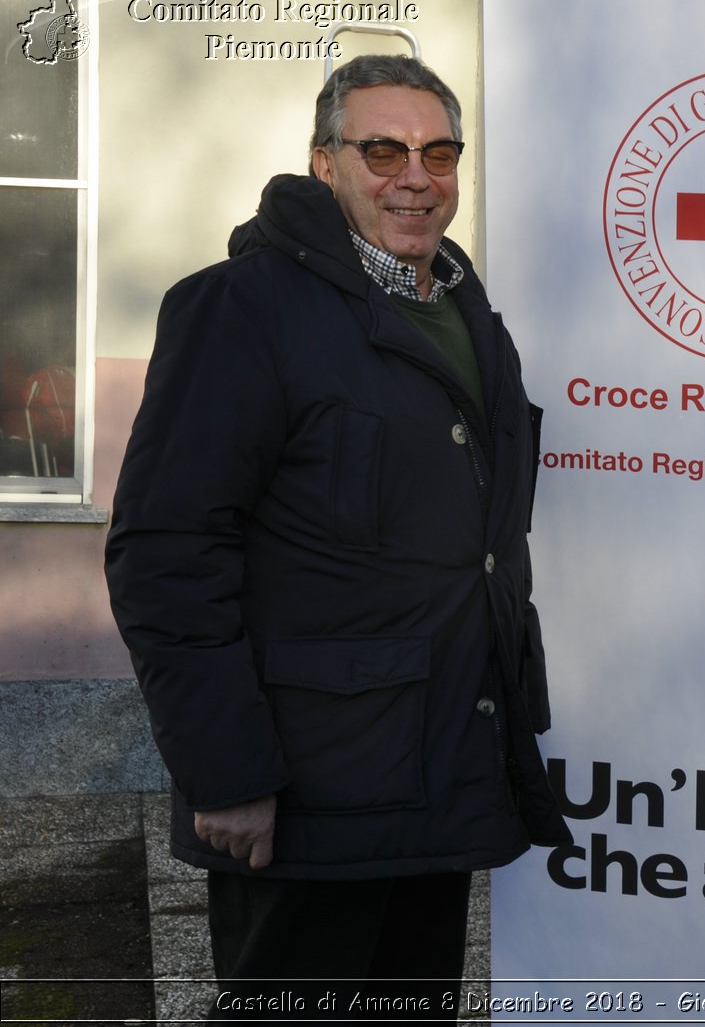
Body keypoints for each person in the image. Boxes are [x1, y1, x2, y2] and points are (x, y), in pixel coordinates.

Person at [104, 54, 571, 1020]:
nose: (417, 175)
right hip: (309, 789)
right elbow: (165, 553)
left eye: (440, 152)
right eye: (384, 150)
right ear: (325, 163)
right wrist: (225, 771)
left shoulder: (460, 309)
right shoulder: (243, 307)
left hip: (438, 767)